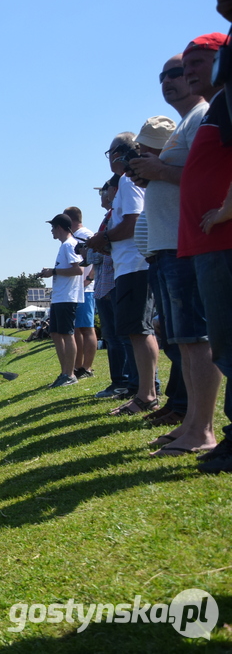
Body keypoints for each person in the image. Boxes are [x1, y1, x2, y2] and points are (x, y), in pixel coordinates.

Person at [128, 50, 220, 456]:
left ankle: (202, 430)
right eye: (163, 76)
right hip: (170, 247)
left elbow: (206, 177)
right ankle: (190, 423)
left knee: (197, 339)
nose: (169, 81)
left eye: (178, 73)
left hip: (185, 245)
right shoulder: (186, 122)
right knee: (184, 341)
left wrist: (159, 172)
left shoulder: (202, 115)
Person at [168, 31, 232, 470]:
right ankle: (204, 427)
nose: (189, 71)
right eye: (183, 64)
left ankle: (210, 431)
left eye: (197, 61)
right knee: (218, 343)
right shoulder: (216, 110)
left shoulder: (224, 104)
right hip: (202, 244)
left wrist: (228, 207)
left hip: (222, 241)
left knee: (220, 342)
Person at [85, 133, 158, 417]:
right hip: (130, 266)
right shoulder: (128, 182)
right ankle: (145, 392)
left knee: (139, 331)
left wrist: (103, 237)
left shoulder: (128, 182)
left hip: (135, 266)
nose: (110, 158)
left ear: (119, 153)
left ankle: (147, 394)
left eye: (110, 152)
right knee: (135, 331)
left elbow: (133, 223)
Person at [90, 177, 134, 398]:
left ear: (113, 191)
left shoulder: (117, 216)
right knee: (113, 337)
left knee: (124, 336)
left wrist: (96, 246)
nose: (102, 195)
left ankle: (126, 382)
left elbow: (98, 251)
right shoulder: (109, 216)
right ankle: (120, 381)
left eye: (103, 191)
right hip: (105, 284)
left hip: (115, 280)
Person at [39, 214, 83, 387]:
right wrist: (51, 271)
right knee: (56, 334)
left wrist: (54, 272)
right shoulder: (64, 246)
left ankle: (70, 374)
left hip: (67, 297)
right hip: (59, 298)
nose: (51, 231)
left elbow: (78, 270)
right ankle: (64, 372)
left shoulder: (69, 245)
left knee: (67, 334)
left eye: (52, 227)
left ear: (59, 227)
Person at [63, 206, 97, 379]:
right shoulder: (76, 236)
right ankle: (78, 366)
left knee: (87, 328)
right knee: (77, 328)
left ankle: (87, 367)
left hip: (86, 289)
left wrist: (89, 280)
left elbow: (97, 258)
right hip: (77, 290)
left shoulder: (85, 234)